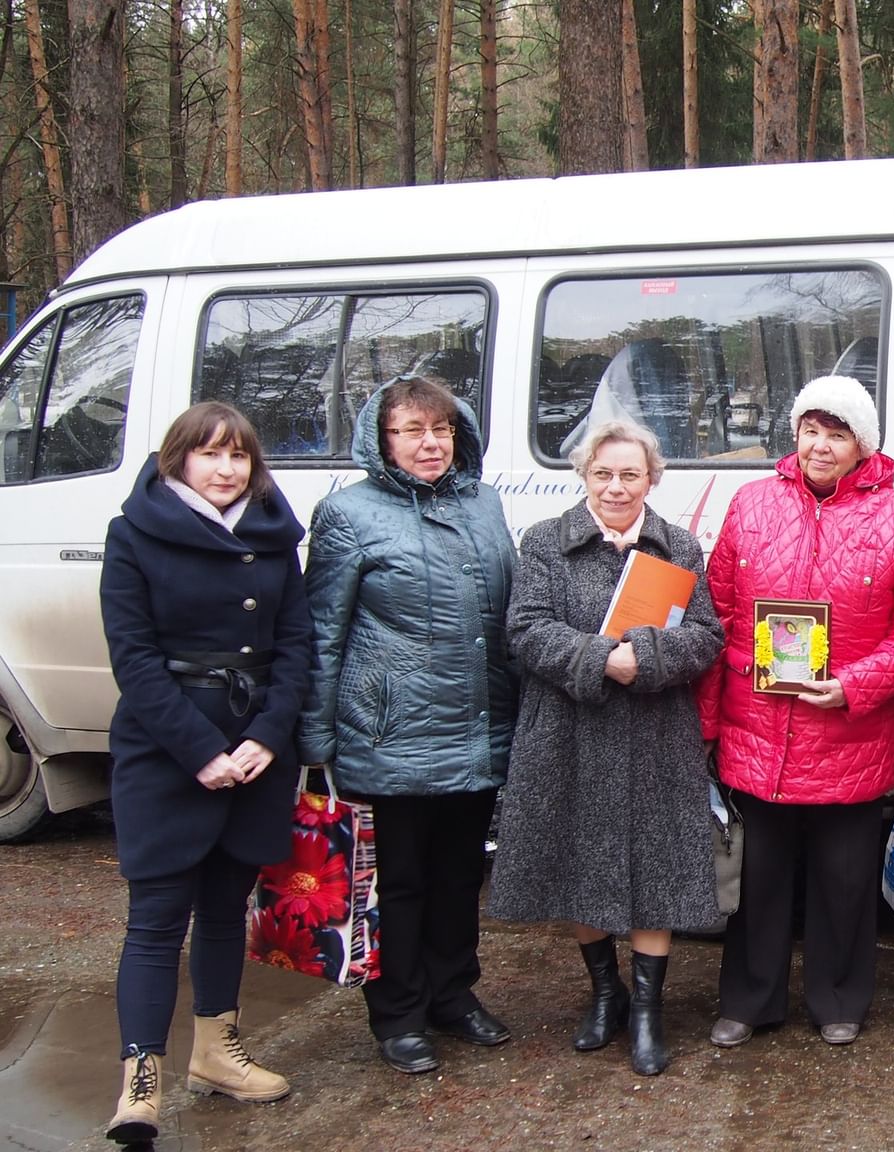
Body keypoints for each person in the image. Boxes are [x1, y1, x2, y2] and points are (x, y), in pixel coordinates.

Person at [700, 375, 894, 1048]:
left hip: (848, 729)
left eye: (837, 433)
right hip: (762, 730)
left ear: (861, 445)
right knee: (760, 879)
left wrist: (857, 684)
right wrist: (733, 688)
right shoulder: (751, 503)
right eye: (811, 429)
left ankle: (841, 999)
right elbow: (716, 606)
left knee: (843, 880)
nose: (820, 445)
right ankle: (750, 1000)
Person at [99, 403, 315, 1145]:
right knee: (156, 921)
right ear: (177, 460)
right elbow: (132, 659)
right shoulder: (134, 535)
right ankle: (140, 1082)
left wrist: (265, 737)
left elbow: (296, 646)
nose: (226, 470)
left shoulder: (273, 536)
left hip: (257, 750)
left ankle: (216, 1054)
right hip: (168, 751)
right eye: (210, 455)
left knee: (226, 912)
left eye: (240, 458)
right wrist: (200, 751)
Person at [486, 420, 725, 1076]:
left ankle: (647, 1011)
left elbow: (707, 635)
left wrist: (641, 656)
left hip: (655, 736)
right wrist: (600, 659)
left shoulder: (679, 546)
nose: (616, 486)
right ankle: (603, 994)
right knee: (579, 863)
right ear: (584, 477)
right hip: (571, 731)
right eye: (604, 474)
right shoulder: (543, 543)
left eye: (630, 474)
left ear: (652, 478)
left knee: (657, 872)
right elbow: (526, 630)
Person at [300, 374, 517, 1075]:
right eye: (414, 431)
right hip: (391, 734)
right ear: (381, 439)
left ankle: (453, 995)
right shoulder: (348, 514)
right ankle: (398, 1013)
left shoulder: (484, 504)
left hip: (475, 728)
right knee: (398, 882)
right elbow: (324, 632)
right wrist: (315, 740)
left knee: (459, 876)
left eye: (443, 429)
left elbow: (504, 617)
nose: (431, 444)